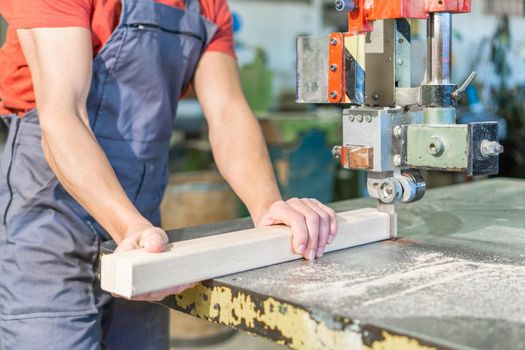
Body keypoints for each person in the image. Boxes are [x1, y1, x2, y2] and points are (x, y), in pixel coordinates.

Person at [0, 0, 339, 349]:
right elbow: (63, 115)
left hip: (143, 230)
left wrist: (267, 203)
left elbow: (227, 113)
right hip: (50, 226)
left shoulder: (207, 8)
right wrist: (128, 227)